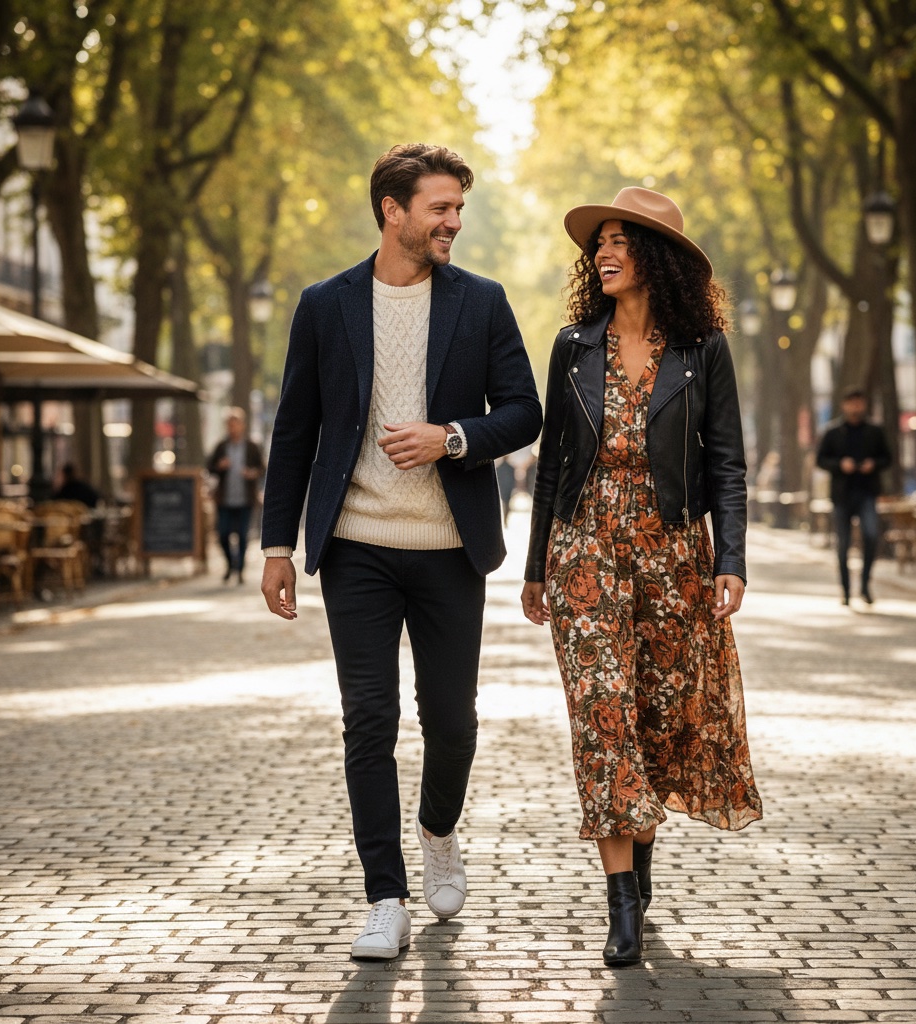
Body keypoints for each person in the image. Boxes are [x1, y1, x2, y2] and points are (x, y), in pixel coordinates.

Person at [260, 143, 542, 960]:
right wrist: (279, 545)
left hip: (451, 546)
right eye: (441, 208)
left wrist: (452, 437)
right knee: (368, 722)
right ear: (393, 209)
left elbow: (522, 411)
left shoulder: (482, 303)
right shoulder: (326, 304)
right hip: (356, 547)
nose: (454, 221)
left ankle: (439, 830)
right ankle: (384, 896)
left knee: (451, 724)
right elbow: (295, 430)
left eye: (459, 208)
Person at [520, 188, 763, 967]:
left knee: (657, 719)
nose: (605, 252)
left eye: (622, 240)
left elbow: (727, 461)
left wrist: (731, 560)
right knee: (602, 715)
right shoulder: (572, 346)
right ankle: (620, 903)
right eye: (601, 242)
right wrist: (535, 567)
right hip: (585, 546)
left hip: (671, 554)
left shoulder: (703, 351)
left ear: (655, 259)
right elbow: (553, 462)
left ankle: (641, 870)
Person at [816, 388, 892, 605]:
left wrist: (873, 464)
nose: (856, 407)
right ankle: (846, 591)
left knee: (870, 536)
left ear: (864, 405)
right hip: (842, 495)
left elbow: (887, 458)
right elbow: (821, 460)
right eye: (852, 402)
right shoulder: (833, 432)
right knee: (843, 545)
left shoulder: (875, 431)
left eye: (859, 402)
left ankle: (865, 584)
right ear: (844, 405)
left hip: (867, 493)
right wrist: (840, 465)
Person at [207, 407, 265, 584]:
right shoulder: (221, 447)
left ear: (242, 425)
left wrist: (252, 473)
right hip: (224, 499)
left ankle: (239, 571)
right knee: (223, 534)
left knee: (242, 535)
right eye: (229, 425)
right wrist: (220, 466)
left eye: (235, 424)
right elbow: (209, 467)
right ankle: (230, 563)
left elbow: (262, 468)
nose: (232, 428)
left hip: (245, 499)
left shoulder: (251, 446)